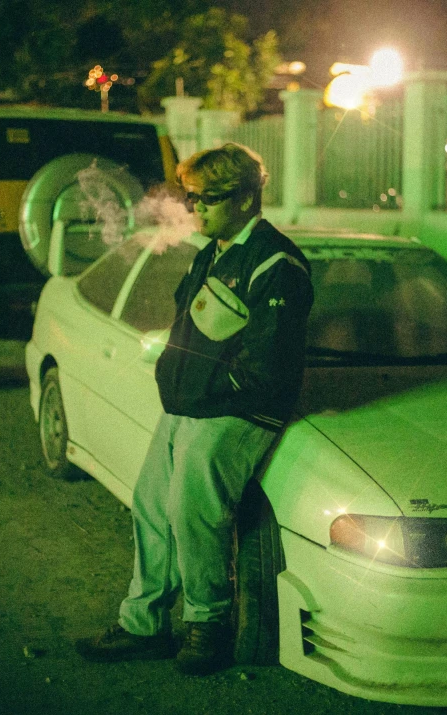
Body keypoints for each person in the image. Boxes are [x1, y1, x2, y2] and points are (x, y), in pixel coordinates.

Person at [76, 143, 313, 675]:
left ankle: (209, 625)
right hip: (187, 404)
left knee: (192, 515)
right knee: (152, 508)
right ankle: (145, 626)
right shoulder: (216, 249)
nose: (195, 208)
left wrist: (203, 387)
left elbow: (267, 368)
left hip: (235, 411)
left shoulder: (277, 264)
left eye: (208, 198)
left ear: (248, 198)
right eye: (191, 197)